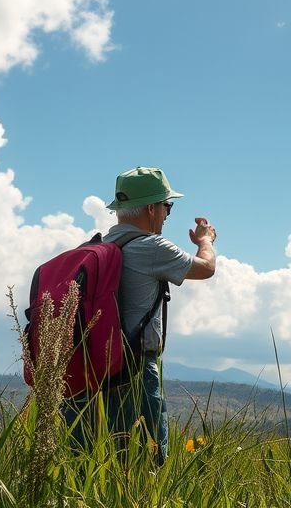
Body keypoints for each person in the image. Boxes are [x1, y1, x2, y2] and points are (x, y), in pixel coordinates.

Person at [65, 166, 217, 465]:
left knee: (88, 465)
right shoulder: (153, 247)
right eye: (166, 207)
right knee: (145, 467)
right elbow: (206, 268)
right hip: (133, 371)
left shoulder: (96, 249)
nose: (165, 214)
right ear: (151, 208)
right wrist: (205, 241)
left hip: (85, 375)